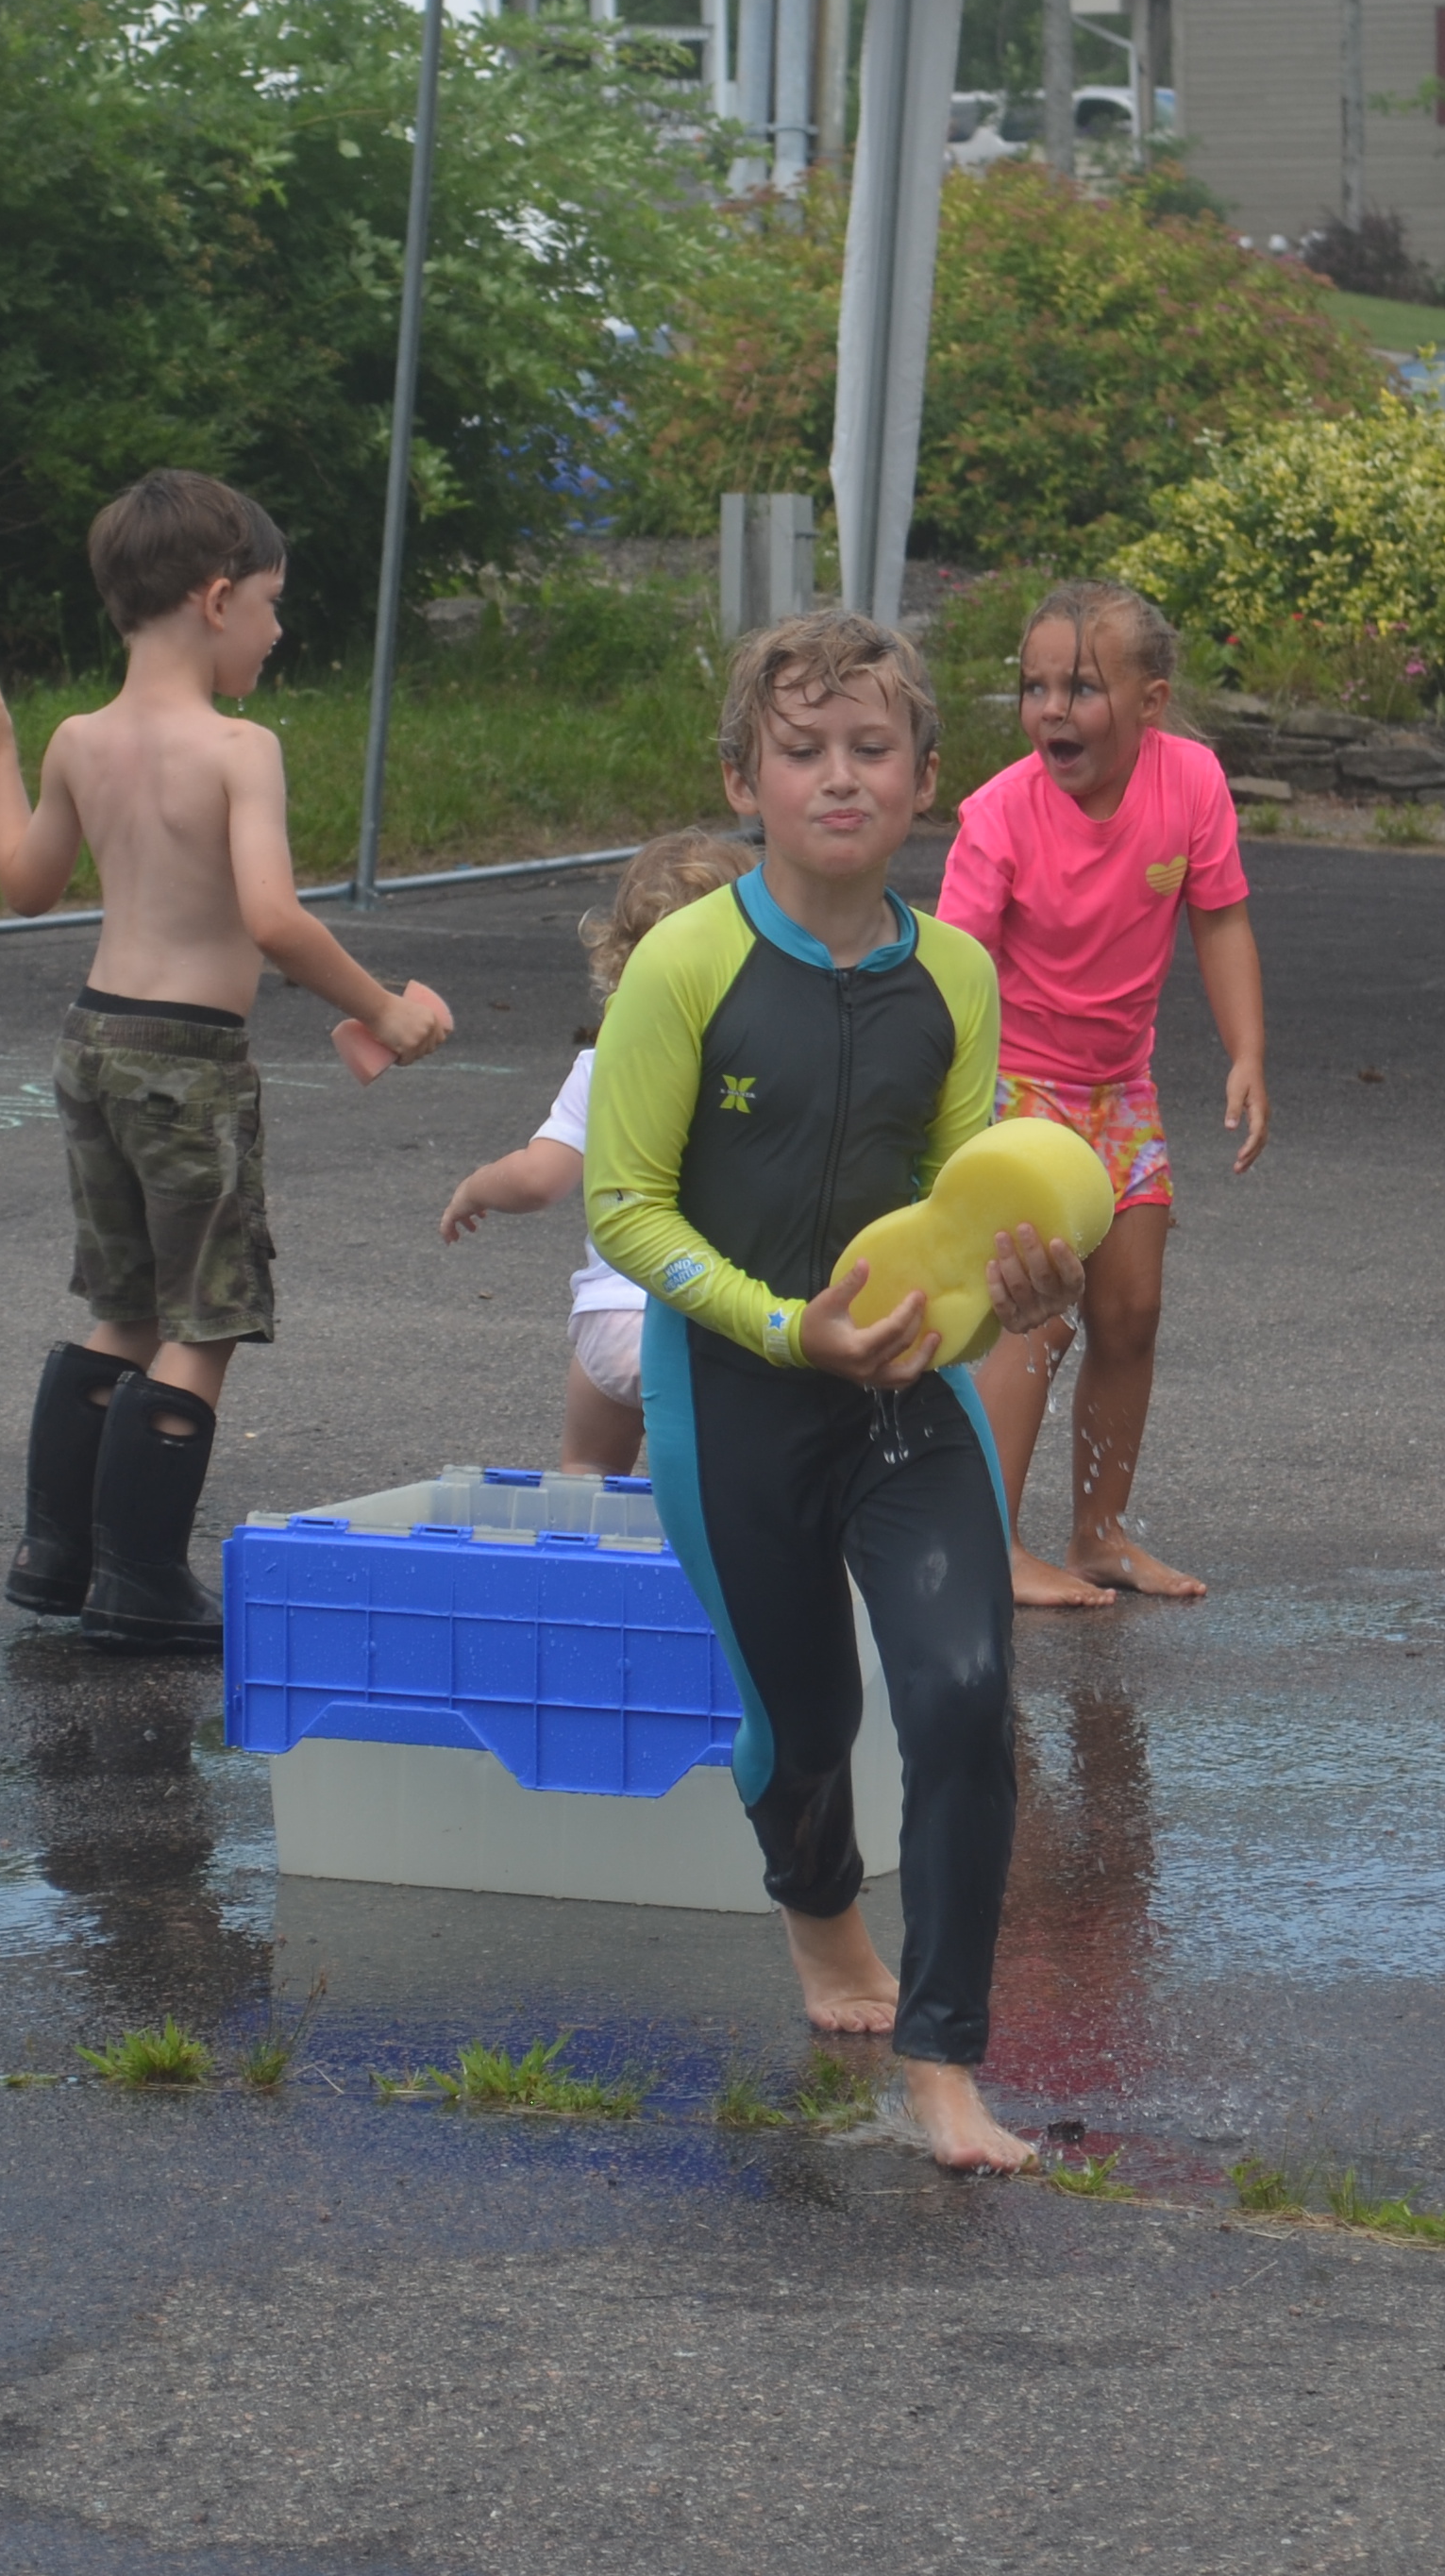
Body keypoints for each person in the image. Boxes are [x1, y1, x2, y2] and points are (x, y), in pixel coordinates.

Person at [582, 610, 1085, 2174]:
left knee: (960, 1698)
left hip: (902, 1399)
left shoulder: (955, 972)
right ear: (746, 780)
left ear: (928, 780)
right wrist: (784, 1328)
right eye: (802, 750)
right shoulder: (685, 964)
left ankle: (943, 2065)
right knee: (805, 1722)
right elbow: (623, 1208)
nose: (840, 777)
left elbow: (964, 1197)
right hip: (735, 1395)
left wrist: (1019, 1284)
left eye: (873, 748)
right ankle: (819, 1918)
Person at [0, 469, 454, 1652]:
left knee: (121, 1307)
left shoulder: (75, 739)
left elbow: (24, 886)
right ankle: (142, 1579)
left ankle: (55, 1556)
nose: (275, 629)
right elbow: (272, 919)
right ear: (216, 599)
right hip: (187, 1059)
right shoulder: (238, 749)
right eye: (270, 605)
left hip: (93, 1044)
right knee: (205, 1316)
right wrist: (384, 1011)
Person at [937, 581, 1269, 1609]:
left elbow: (1219, 916)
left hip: (1120, 1090)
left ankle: (1098, 1533)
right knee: (1035, 1319)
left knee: (1129, 1311)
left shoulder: (1191, 782)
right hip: (1015, 1088)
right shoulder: (998, 815)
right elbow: (948, 974)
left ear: (1150, 701)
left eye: (1080, 688)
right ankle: (988, 1541)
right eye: (1033, 687)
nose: (1050, 709)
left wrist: (1246, 1052)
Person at [439, 828, 753, 1476]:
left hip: (613, 1318)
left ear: (621, 957)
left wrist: (475, 1185)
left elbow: (538, 1179)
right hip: (717, 1318)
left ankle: (580, 1537)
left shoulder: (609, 1062)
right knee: (719, 1487)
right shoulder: (761, 1069)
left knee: (585, 1471)